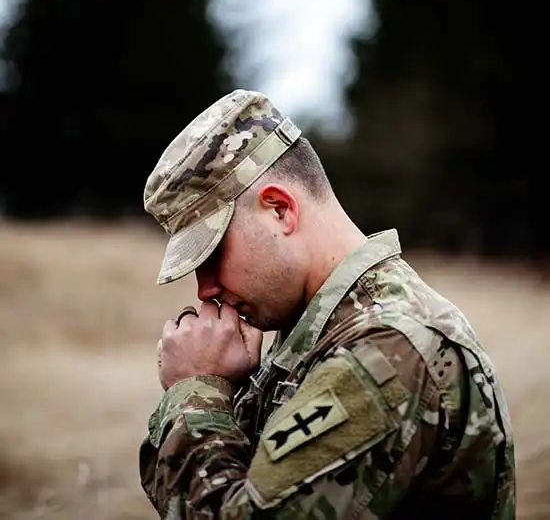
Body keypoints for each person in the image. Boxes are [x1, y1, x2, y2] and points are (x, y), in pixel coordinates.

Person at [139, 89, 516, 519]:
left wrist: (197, 391)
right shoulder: (312, 328)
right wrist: (229, 387)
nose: (204, 290)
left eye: (210, 256)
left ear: (279, 209)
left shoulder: (389, 348)